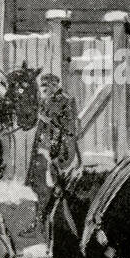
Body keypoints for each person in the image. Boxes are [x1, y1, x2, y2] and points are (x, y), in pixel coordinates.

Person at [26, 72, 79, 228]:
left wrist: (50, 121)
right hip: (41, 149)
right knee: (36, 184)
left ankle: (50, 221)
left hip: (57, 152)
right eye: (42, 85)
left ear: (54, 86)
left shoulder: (66, 101)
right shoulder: (43, 101)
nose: (43, 88)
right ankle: (40, 220)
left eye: (46, 86)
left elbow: (69, 129)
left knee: (57, 188)